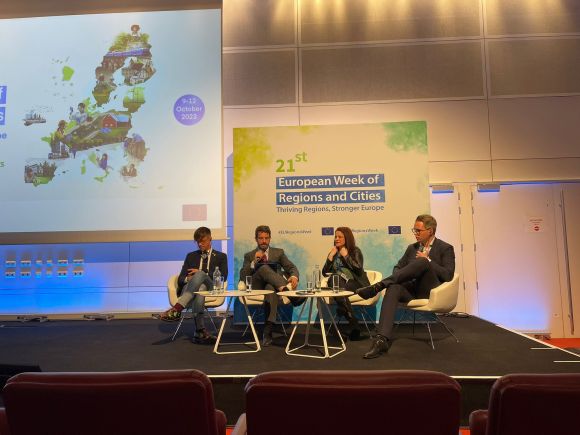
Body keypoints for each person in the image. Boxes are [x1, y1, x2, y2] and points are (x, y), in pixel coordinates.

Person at [356, 214, 455, 358]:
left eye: (418, 230)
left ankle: (379, 286)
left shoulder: (445, 248)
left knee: (423, 262)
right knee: (393, 288)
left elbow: (448, 275)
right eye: (414, 230)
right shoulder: (412, 248)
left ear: (430, 231)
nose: (415, 233)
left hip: (430, 290)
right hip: (410, 290)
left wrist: (428, 260)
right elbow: (398, 268)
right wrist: (403, 277)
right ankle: (381, 340)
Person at [158, 227, 228, 345]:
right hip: (191, 288)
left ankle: (177, 309)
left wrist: (202, 273)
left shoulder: (221, 256)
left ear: (210, 239)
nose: (200, 244)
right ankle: (200, 331)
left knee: (200, 274)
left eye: (203, 241)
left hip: (210, 286)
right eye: (198, 242)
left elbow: (224, 276)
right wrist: (188, 278)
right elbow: (181, 279)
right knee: (200, 289)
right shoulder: (191, 256)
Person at [239, 225, 300, 346]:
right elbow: (242, 275)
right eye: (261, 238)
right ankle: (289, 294)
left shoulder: (278, 253)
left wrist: (294, 276)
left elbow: (291, 267)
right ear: (256, 239)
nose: (264, 241)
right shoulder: (249, 255)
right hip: (257, 285)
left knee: (270, 288)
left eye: (266, 238)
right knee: (263, 268)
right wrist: (254, 262)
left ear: (270, 238)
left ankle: (267, 331)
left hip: (273, 286)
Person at [322, 226, 369, 340]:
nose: (336, 239)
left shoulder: (355, 251)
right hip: (338, 283)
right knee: (335, 278)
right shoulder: (333, 252)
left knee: (337, 288)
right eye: (335, 237)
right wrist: (330, 257)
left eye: (340, 237)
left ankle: (342, 308)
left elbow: (358, 268)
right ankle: (354, 325)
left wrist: (346, 256)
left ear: (347, 238)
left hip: (354, 283)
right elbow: (325, 273)